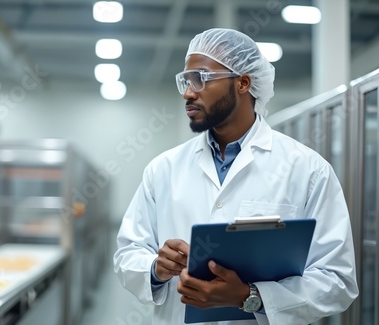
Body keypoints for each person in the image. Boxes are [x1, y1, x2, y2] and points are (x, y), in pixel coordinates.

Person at [113, 28, 358, 325]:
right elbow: (127, 254)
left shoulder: (307, 170)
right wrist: (155, 268)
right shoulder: (163, 168)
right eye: (185, 81)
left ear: (243, 83)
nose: (188, 93)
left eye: (200, 79)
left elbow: (338, 281)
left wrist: (249, 296)